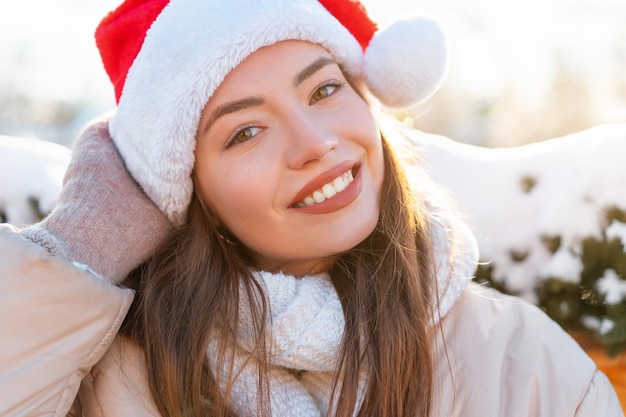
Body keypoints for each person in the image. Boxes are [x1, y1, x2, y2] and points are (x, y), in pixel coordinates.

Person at [0, 0, 622, 416]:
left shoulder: (526, 366)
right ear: (190, 193)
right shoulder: (108, 383)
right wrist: (79, 248)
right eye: (244, 132)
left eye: (325, 89)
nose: (315, 143)